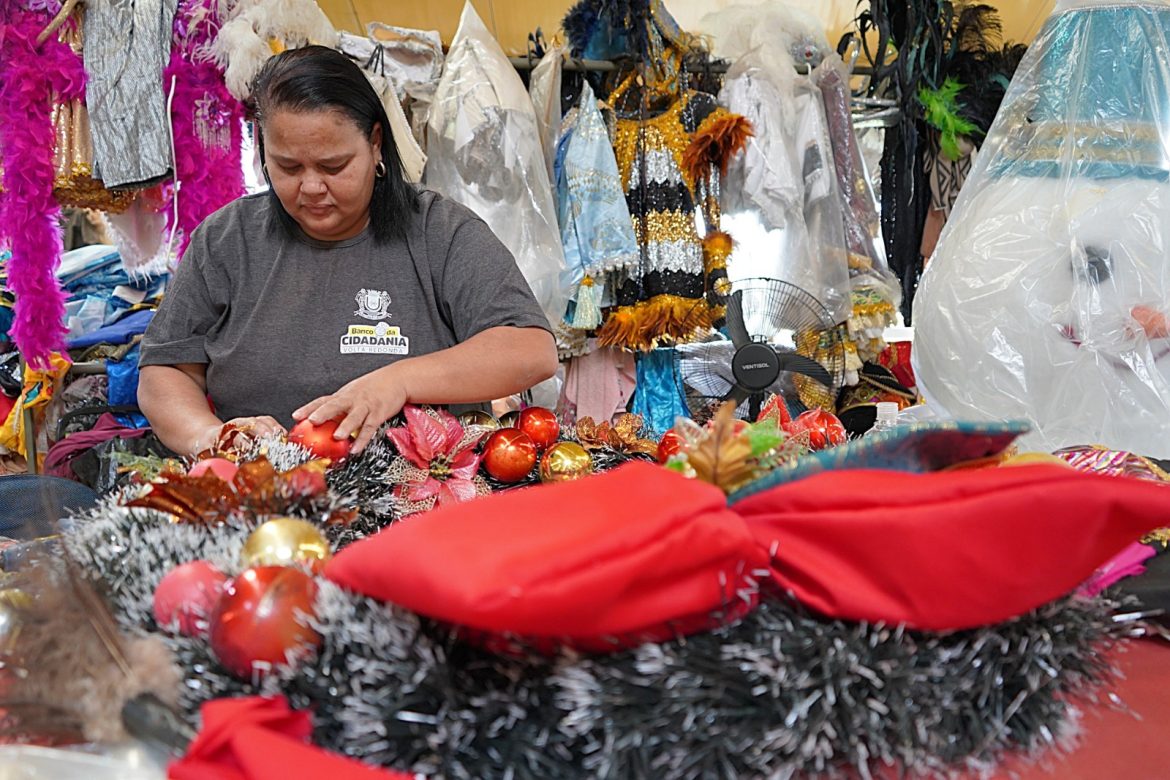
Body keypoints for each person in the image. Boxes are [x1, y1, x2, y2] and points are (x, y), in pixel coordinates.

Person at [138, 46, 558, 455]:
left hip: (421, 505)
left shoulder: (440, 232)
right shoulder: (226, 239)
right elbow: (166, 370)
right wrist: (214, 438)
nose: (311, 187)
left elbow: (530, 349)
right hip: (261, 499)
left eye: (333, 166)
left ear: (375, 143)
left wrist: (398, 381)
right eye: (287, 167)